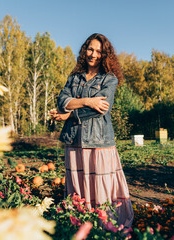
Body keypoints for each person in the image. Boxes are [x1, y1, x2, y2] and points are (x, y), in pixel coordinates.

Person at [50, 33, 134, 228]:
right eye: (90, 49)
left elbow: (100, 109)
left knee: (102, 190)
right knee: (78, 188)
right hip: (74, 140)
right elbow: (62, 101)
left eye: (98, 51)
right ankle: (80, 227)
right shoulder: (74, 78)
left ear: (105, 55)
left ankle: (105, 228)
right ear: (84, 50)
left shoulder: (109, 79)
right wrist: (87, 101)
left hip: (99, 141)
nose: (93, 54)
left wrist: (68, 114)